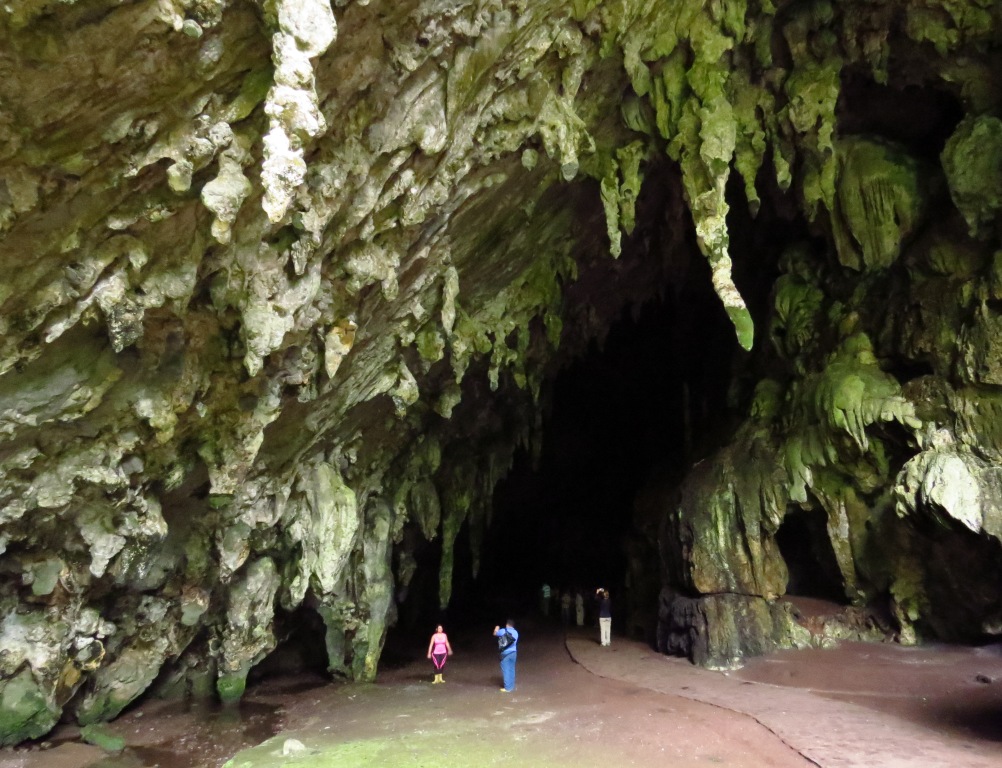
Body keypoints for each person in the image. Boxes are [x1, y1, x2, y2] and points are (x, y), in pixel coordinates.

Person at [493, 619, 519, 692]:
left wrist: (496, 628)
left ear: (507, 624)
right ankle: (511, 686)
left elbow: (495, 633)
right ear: (513, 625)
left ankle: (507, 688)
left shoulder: (503, 631)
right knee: (512, 669)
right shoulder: (516, 632)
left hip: (505, 653)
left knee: (506, 670)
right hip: (513, 653)